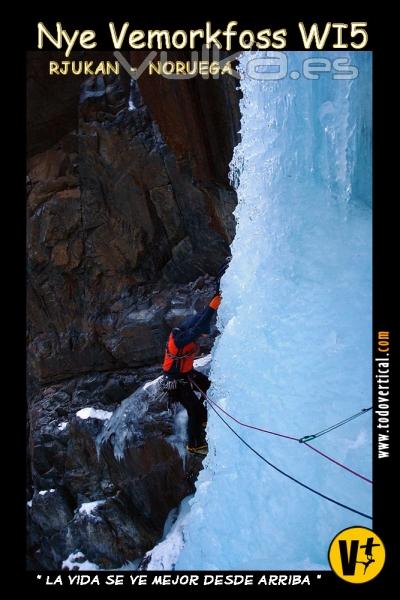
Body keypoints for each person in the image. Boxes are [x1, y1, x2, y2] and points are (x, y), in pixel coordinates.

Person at [162, 292, 222, 456]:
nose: (203, 336)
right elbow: (197, 329)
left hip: (186, 374)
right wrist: (212, 308)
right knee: (193, 410)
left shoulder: (184, 328)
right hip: (175, 380)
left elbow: (200, 319)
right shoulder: (180, 339)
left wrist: (215, 300)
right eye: (203, 334)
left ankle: (203, 419)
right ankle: (194, 444)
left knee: (210, 388)